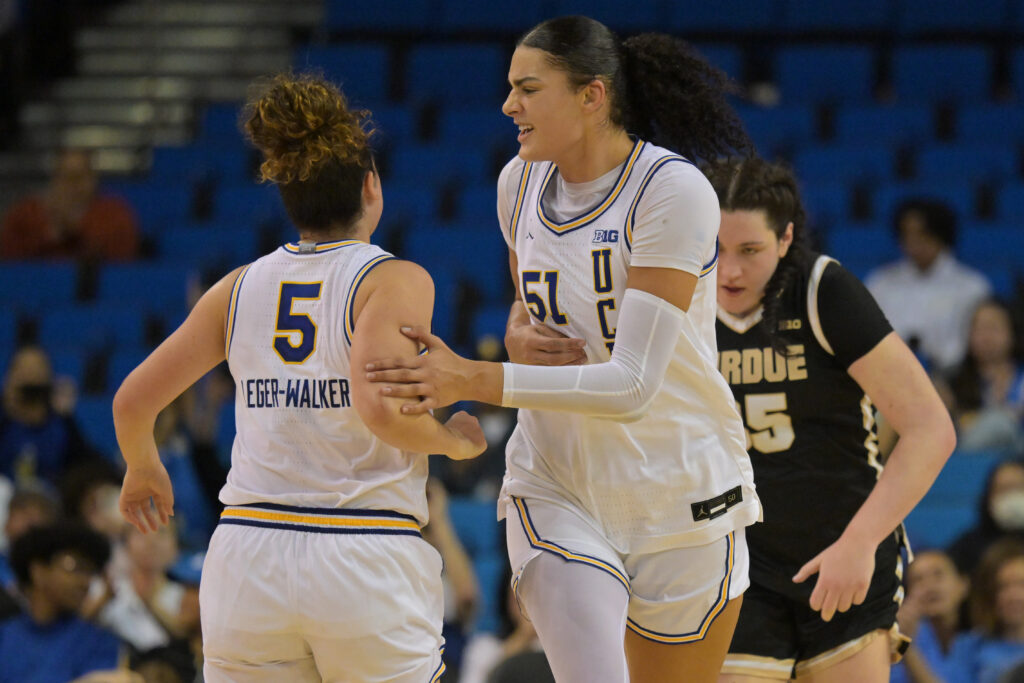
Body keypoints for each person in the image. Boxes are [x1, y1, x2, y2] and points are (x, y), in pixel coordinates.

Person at [365, 15, 760, 682]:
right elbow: (534, 305)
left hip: (680, 487)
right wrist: (519, 333)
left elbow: (632, 383)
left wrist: (477, 377)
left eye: (527, 88)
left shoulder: (671, 191)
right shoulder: (517, 183)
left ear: (592, 95)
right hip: (558, 482)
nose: (507, 105)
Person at [112, 73, 486, 682]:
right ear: (372, 187)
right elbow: (383, 411)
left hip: (247, 556)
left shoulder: (236, 288)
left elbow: (132, 401)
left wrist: (141, 466)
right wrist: (455, 441)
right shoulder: (393, 279)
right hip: (360, 550)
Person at [699, 157, 955, 682]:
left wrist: (860, 543)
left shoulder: (823, 292)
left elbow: (932, 429)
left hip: (841, 542)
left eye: (750, 250)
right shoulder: (679, 293)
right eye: (715, 248)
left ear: (786, 237)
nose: (729, 271)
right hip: (735, 559)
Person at [865, 199, 991, 373]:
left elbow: (977, 344)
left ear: (941, 234)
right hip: (890, 377)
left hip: (956, 379)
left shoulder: (972, 286)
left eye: (922, 233)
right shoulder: (880, 282)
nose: (913, 242)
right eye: (906, 234)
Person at [0, 520, 122, 682]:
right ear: (38, 572)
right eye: (75, 567)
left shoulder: (99, 643)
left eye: (91, 572)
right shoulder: (5, 635)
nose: (86, 581)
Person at [0, 147, 139, 261]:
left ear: (93, 178)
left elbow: (123, 259)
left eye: (79, 177)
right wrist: (48, 236)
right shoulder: (26, 213)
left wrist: (75, 233)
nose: (73, 186)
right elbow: (8, 260)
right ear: (54, 179)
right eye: (66, 177)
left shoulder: (114, 214)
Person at [0, 345, 98, 488]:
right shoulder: (5, 419)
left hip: (51, 498)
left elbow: (87, 464)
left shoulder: (61, 423)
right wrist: (5, 406)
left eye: (37, 368)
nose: (31, 375)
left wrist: (67, 417)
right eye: (24, 369)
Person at [944, 298, 1024, 453]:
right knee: (997, 423)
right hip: (969, 461)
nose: (986, 337)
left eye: (993, 328)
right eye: (979, 329)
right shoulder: (951, 381)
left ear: (1012, 332)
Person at [945, 539, 1024, 683]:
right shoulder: (968, 646)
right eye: (1002, 587)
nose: (1013, 596)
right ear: (988, 593)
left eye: (1021, 584)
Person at [891, 548, 969, 683]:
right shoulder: (895, 639)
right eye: (918, 580)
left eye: (938, 575)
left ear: (963, 585)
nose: (929, 586)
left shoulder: (980, 642)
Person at [949, 458, 1024, 577]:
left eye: (1017, 488)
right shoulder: (966, 548)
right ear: (989, 498)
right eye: (1004, 489)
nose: (1011, 496)